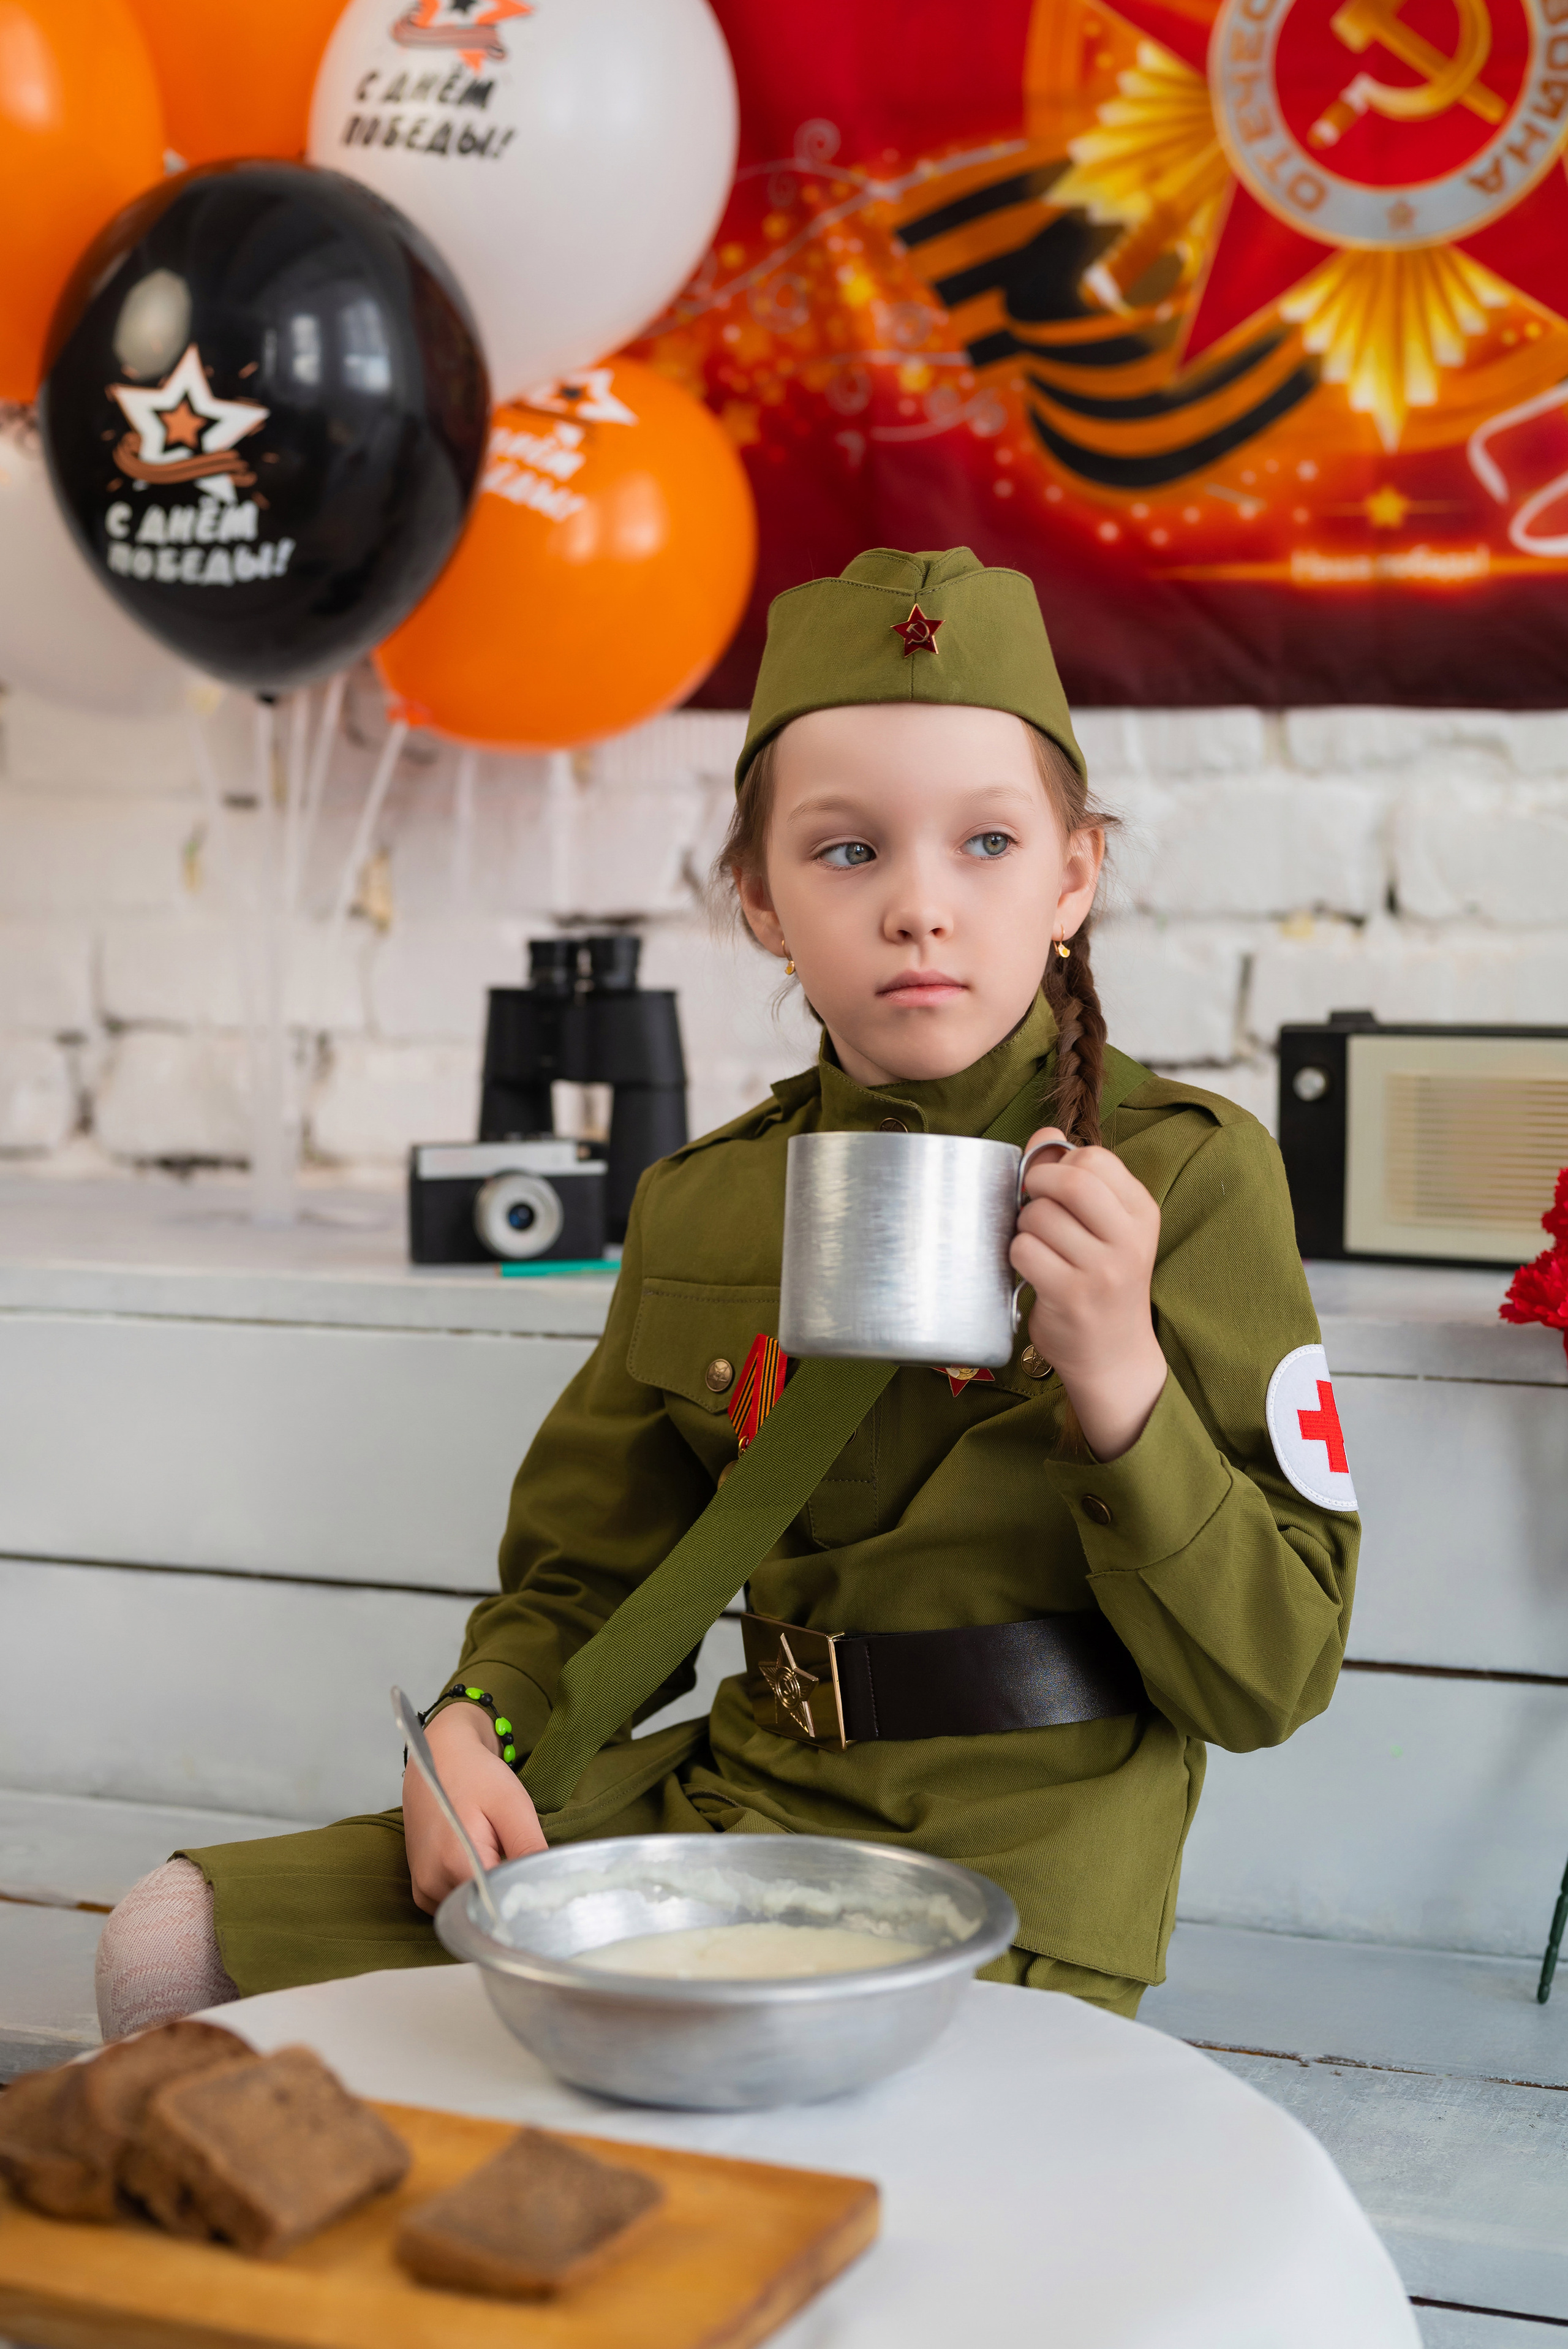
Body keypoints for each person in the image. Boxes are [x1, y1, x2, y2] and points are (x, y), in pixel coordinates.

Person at [96, 547, 1358, 2036]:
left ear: (1072, 875)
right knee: (166, 1947)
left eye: (987, 844)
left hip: (1025, 1860)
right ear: (756, 898)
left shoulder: (1183, 1182)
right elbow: (579, 1577)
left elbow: (1270, 1678)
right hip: (729, 1797)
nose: (917, 908)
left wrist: (1118, 1385)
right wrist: (473, 1732)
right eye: (845, 851)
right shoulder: (703, 1199)